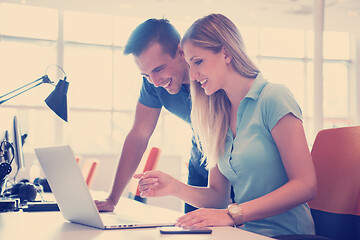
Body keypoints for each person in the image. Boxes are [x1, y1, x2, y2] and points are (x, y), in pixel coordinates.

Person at [134, 14, 317, 238]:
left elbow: (306, 185)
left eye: (198, 62)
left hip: (288, 234)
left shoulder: (274, 97)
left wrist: (232, 215)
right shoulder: (216, 114)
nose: (192, 75)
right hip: (244, 233)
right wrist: (173, 187)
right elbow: (218, 196)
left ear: (226, 53)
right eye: (190, 64)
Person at [94, 18, 209, 213]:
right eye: (146, 75)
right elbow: (138, 136)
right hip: (200, 165)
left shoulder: (208, 76)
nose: (155, 82)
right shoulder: (153, 83)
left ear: (181, 52)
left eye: (158, 69)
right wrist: (112, 199)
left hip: (234, 168)